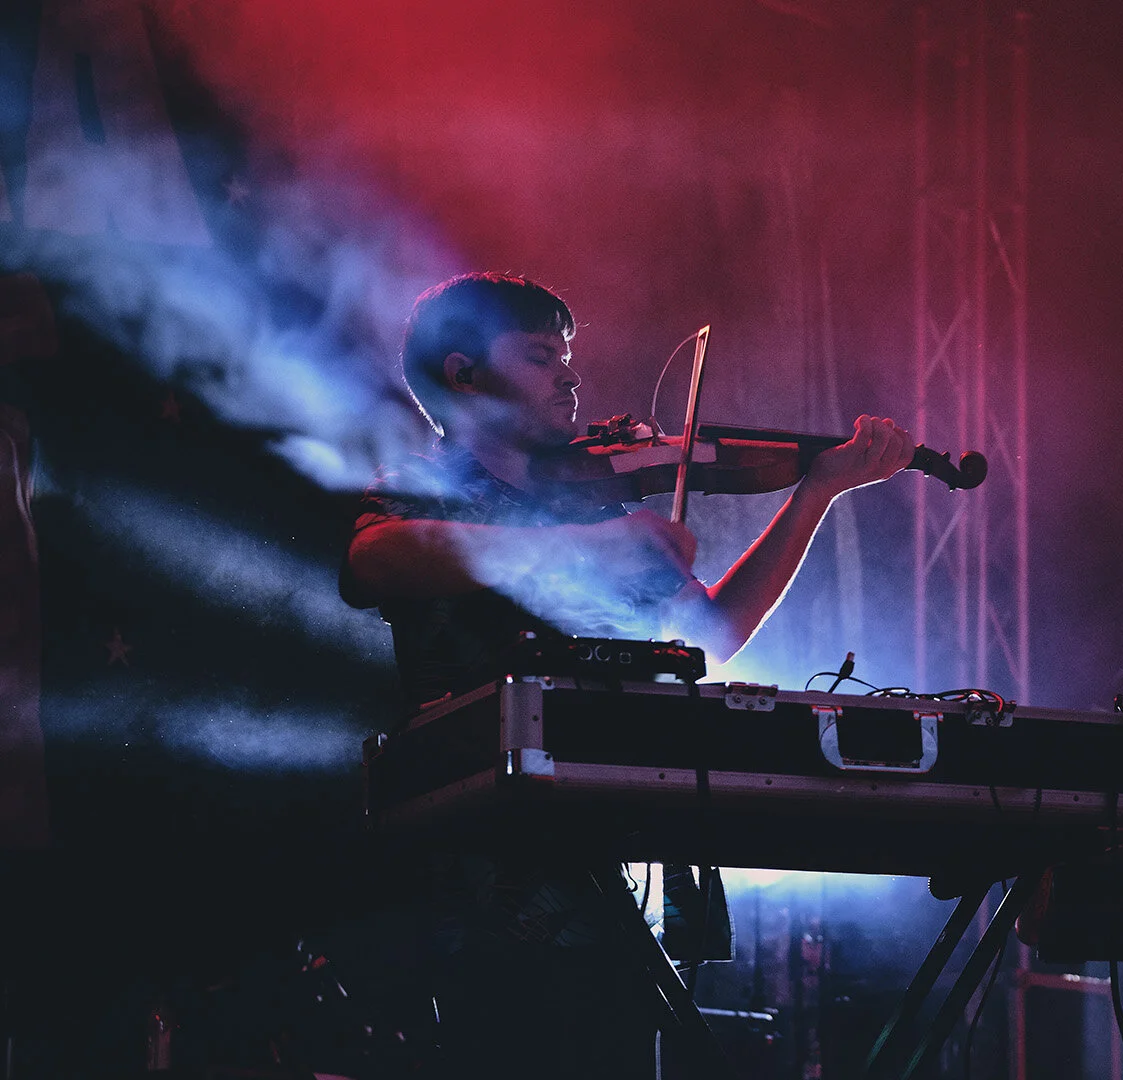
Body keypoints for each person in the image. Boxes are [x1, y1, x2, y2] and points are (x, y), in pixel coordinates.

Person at [337, 271, 913, 1077]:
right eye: (540, 356)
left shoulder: (595, 506)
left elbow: (712, 635)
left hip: (621, 866)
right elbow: (373, 559)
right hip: (490, 880)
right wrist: (583, 547)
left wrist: (816, 491)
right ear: (464, 374)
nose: (570, 376)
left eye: (567, 355)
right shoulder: (423, 491)